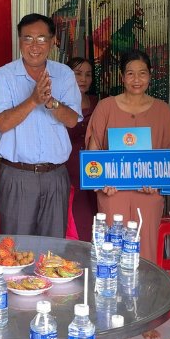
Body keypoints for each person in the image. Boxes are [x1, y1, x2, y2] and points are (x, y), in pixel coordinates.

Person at [0, 13, 82, 237]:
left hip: (55, 175)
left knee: (53, 248)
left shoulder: (64, 74)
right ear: (19, 41)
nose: (34, 46)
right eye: (28, 38)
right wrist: (33, 100)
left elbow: (71, 120)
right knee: (16, 247)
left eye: (41, 39)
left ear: (52, 41)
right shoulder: (3, 76)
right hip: (18, 175)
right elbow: (3, 123)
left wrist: (50, 102)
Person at [85, 50, 170, 263]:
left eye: (142, 73)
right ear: (122, 77)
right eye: (130, 74)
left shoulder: (163, 111)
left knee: (145, 256)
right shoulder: (106, 107)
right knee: (110, 254)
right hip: (112, 194)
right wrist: (101, 183)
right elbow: (93, 154)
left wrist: (158, 183)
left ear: (150, 75)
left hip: (148, 195)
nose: (137, 79)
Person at [65, 57, 100, 241]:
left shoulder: (98, 104)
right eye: (77, 74)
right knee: (74, 221)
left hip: (93, 171)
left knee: (94, 219)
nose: (83, 79)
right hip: (68, 172)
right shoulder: (58, 105)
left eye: (88, 75)